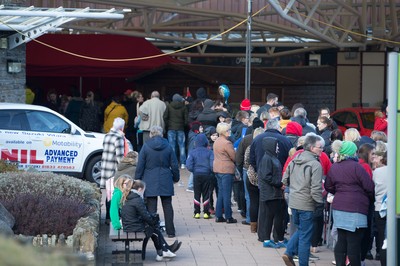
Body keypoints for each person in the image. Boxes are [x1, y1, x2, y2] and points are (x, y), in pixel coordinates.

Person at [325, 140, 375, 266]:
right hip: (356, 208)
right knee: (354, 243)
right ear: (352, 152)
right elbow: (369, 187)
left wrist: (339, 191)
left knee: (341, 240)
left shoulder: (335, 167)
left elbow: (328, 186)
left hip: (339, 206)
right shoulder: (358, 167)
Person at [281, 133, 324, 266]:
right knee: (305, 236)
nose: (322, 150)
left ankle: (289, 252)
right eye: (320, 147)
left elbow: (284, 180)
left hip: (294, 201)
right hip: (306, 203)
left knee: (301, 230)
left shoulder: (295, 159)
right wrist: (319, 203)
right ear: (311, 148)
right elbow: (316, 188)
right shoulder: (315, 165)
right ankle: (301, 262)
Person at [135, 125, 180, 238]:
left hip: (149, 179)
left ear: (151, 134)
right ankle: (171, 231)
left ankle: (152, 231)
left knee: (151, 207)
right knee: (167, 205)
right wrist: (175, 178)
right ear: (161, 134)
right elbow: (174, 165)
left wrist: (137, 179)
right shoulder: (168, 146)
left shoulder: (146, 147)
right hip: (165, 178)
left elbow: (140, 165)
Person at [120, 179, 182, 261]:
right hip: (133, 227)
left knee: (154, 227)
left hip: (128, 225)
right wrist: (153, 220)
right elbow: (145, 215)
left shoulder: (128, 196)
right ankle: (164, 251)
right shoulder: (137, 199)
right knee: (154, 229)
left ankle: (163, 251)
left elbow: (138, 214)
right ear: (140, 190)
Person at [258, 137, 286, 249]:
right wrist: (279, 184)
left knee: (276, 216)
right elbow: (266, 176)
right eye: (276, 146)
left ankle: (278, 239)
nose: (278, 148)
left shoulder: (272, 157)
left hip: (274, 192)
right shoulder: (267, 159)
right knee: (269, 217)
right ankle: (266, 239)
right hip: (270, 193)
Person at [100, 117, 129, 224]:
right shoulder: (118, 138)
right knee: (115, 195)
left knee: (108, 194)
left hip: (105, 168)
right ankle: (114, 218)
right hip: (114, 171)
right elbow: (120, 158)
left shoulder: (107, 136)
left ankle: (108, 217)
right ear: (121, 127)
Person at [186, 133, 214, 219]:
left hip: (196, 174)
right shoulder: (210, 152)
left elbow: (189, 165)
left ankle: (197, 212)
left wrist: (194, 170)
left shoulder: (192, 152)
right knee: (206, 193)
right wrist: (209, 171)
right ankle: (206, 212)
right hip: (206, 174)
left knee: (197, 193)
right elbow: (212, 164)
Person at [213, 122, 237, 224]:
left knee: (221, 193)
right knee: (227, 194)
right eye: (228, 130)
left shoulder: (217, 141)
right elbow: (234, 157)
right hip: (226, 169)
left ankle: (218, 215)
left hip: (217, 168)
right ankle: (228, 216)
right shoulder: (227, 143)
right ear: (223, 132)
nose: (229, 132)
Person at [164, 93, 188, 169]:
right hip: (180, 129)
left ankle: (172, 163)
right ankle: (183, 164)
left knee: (172, 146)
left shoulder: (169, 106)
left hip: (171, 129)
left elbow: (165, 117)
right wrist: (183, 125)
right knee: (182, 146)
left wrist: (168, 125)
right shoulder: (184, 107)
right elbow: (186, 119)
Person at [373, 141, 387, 265]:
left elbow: (372, 189)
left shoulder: (377, 172)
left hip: (379, 208)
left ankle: (383, 260)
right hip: (392, 209)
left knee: (382, 238)